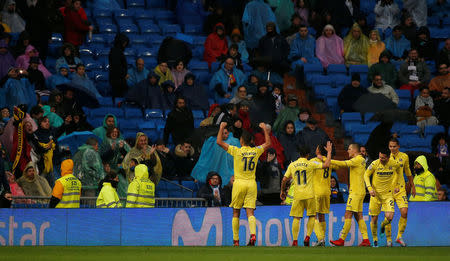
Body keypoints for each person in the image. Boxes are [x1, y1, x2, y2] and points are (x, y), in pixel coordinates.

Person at [216, 122, 271, 246]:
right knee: (250, 212)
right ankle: (253, 235)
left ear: (241, 141)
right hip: (252, 184)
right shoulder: (255, 151)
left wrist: (221, 128)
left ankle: (236, 241)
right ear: (251, 141)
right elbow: (268, 144)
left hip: (239, 183)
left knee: (236, 212)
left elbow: (219, 142)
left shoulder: (237, 151)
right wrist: (265, 130)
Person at [281, 141, 332, 246]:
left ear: (299, 153)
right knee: (312, 216)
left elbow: (284, 179)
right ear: (308, 154)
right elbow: (327, 164)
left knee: (296, 218)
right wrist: (329, 152)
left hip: (298, 195)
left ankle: (295, 241)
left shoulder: (292, 165)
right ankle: (307, 237)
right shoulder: (311, 164)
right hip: (310, 194)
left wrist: (282, 190)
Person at [330, 143, 371, 247]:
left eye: (349, 149)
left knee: (348, 214)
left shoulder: (358, 159)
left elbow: (343, 164)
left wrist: (327, 158)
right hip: (358, 191)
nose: (347, 151)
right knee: (358, 216)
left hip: (356, 192)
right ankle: (366, 239)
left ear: (354, 150)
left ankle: (342, 239)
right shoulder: (360, 160)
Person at [364, 147, 401, 247]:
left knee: (389, 217)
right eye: (380, 157)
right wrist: (369, 188)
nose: (381, 159)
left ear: (388, 158)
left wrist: (397, 185)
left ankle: (383, 227)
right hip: (375, 195)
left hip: (388, 195)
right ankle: (375, 239)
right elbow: (366, 175)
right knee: (374, 219)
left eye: (383, 158)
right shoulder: (375, 164)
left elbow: (399, 171)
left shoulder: (394, 163)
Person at [388, 138, 416, 246]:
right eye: (390, 146)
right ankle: (389, 239)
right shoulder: (386, 157)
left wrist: (413, 186)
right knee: (389, 216)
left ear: (398, 146)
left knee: (404, 212)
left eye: (394, 146)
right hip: (389, 190)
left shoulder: (404, 156)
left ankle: (399, 236)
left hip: (400, 189)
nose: (392, 148)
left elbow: (408, 171)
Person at [309, 143, 335, 246]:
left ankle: (320, 239)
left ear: (318, 150)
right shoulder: (329, 161)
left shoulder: (313, 161)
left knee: (313, 216)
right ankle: (323, 239)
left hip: (316, 191)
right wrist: (329, 153)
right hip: (326, 192)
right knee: (322, 216)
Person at [109, 33, 129, 102]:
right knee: (118, 99)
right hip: (118, 80)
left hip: (118, 80)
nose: (125, 44)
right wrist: (124, 75)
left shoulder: (116, 51)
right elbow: (117, 67)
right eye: (124, 42)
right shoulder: (116, 52)